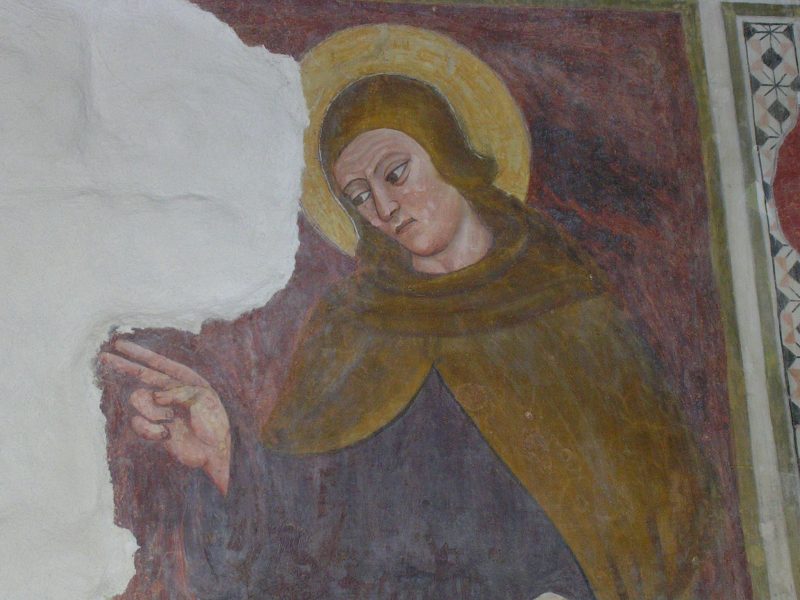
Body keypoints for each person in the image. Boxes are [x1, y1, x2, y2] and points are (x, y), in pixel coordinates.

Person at [101, 75, 720, 599]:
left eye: (396, 173)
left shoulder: (564, 299)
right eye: (359, 197)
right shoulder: (353, 326)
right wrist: (224, 453)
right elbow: (310, 531)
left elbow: (663, 493)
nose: (384, 207)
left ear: (448, 154)